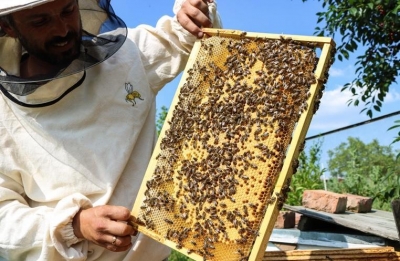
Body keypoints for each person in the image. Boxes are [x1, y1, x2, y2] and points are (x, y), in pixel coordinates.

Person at [0, 0, 221, 260]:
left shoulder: (128, 55)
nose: (62, 29)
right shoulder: (4, 114)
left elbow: (191, 38)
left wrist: (196, 11)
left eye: (67, 11)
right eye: (40, 21)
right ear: (8, 27)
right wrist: (74, 225)